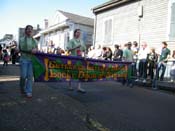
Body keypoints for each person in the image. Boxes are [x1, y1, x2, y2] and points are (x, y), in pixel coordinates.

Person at [19, 25, 38, 98]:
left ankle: (29, 91)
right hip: (23, 59)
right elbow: (19, 48)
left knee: (30, 76)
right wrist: (17, 49)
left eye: (31, 29)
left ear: (32, 31)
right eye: (28, 29)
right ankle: (22, 87)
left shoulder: (35, 41)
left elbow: (37, 49)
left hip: (31, 60)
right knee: (23, 76)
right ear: (25, 30)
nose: (30, 30)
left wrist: (35, 50)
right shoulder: (21, 39)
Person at [66, 29, 86, 93]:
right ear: (75, 33)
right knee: (71, 72)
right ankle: (69, 86)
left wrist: (85, 55)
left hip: (80, 59)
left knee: (80, 72)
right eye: (77, 32)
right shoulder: (71, 41)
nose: (79, 34)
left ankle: (79, 87)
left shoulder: (81, 41)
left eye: (80, 33)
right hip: (73, 58)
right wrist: (75, 47)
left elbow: (84, 49)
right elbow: (68, 49)